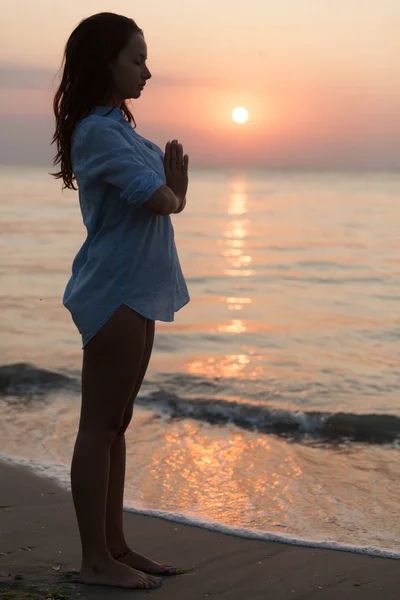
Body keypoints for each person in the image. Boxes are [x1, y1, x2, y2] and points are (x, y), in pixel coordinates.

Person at [50, 12, 190, 591]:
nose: (147, 70)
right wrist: (176, 193)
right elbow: (157, 199)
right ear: (103, 63)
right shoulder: (99, 132)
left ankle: (115, 545)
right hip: (115, 292)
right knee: (99, 426)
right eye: (136, 58)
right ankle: (94, 561)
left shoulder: (119, 128)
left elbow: (160, 192)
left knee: (117, 425)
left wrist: (171, 191)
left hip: (136, 289)